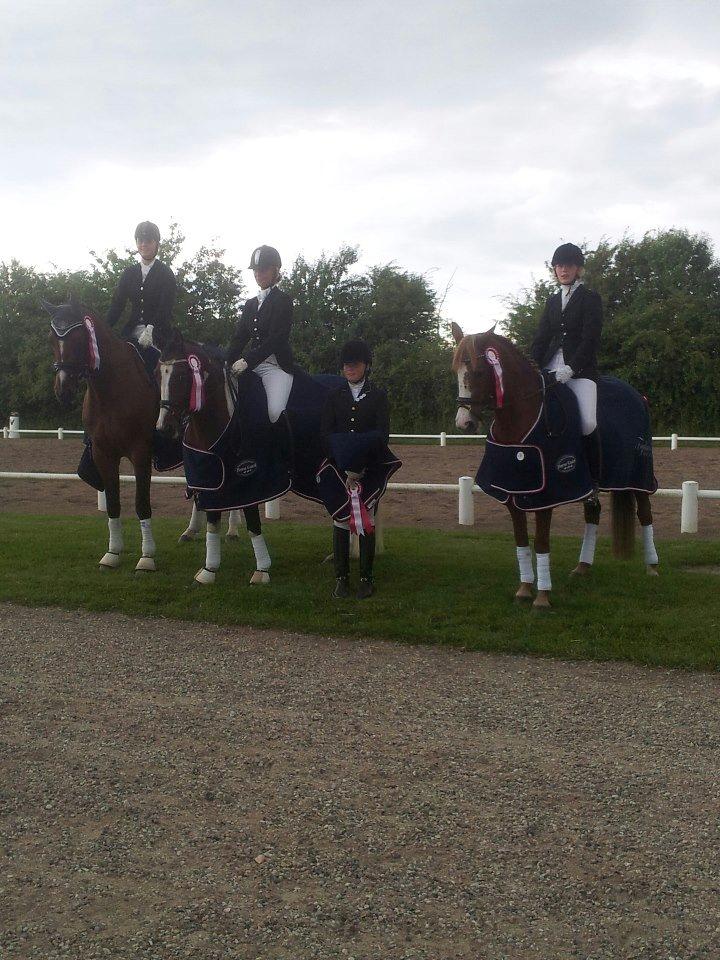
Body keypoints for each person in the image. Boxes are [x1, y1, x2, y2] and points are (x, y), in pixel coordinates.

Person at [320, 340, 390, 600]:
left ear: (366, 365)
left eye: (355, 364)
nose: (350, 368)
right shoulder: (334, 397)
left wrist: (360, 465)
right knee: (339, 519)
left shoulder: (378, 396)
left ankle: (366, 578)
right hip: (339, 470)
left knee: (366, 520)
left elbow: (381, 435)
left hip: (367, 470)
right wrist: (341, 461)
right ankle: (341, 578)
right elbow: (326, 433)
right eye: (347, 364)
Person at [530, 242, 603, 485]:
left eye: (569, 265)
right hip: (550, 367)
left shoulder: (590, 299)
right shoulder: (551, 301)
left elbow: (590, 339)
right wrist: (531, 366)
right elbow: (541, 338)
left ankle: (594, 480)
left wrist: (572, 368)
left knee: (587, 422)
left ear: (578, 269)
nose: (563, 270)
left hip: (580, 370)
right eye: (559, 265)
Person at [227, 245, 294, 424]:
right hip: (251, 365)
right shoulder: (250, 304)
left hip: (275, 366)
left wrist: (247, 360)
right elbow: (239, 338)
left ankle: (284, 449)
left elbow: (276, 339)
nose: (258, 274)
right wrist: (225, 360)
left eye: (262, 270)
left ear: (275, 271)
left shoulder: (283, 301)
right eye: (255, 270)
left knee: (275, 411)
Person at [106, 221, 177, 353]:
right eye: (140, 240)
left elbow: (165, 308)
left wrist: (151, 328)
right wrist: (103, 328)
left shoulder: (166, 273)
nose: (144, 244)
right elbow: (117, 305)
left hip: (158, 333)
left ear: (156, 243)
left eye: (148, 240)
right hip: (131, 332)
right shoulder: (129, 273)